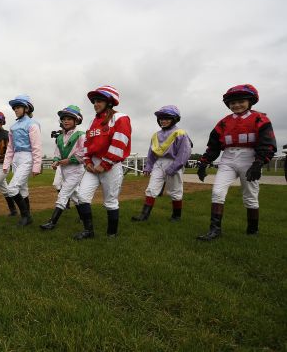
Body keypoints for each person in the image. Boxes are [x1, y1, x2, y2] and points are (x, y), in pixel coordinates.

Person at [196, 84, 276, 240]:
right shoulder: (224, 122)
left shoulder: (260, 118)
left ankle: (252, 230)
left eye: (241, 101)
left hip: (250, 158)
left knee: (250, 195)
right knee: (217, 192)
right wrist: (204, 162)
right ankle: (215, 230)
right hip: (228, 158)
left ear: (250, 101)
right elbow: (213, 145)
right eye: (232, 103)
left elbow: (267, 143)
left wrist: (259, 162)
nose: (236, 105)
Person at [73, 86, 131, 240]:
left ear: (109, 102)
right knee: (82, 196)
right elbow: (87, 144)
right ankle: (88, 231)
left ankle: (112, 234)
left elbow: (120, 143)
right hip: (93, 166)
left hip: (110, 166)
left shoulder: (120, 118)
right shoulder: (93, 122)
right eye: (94, 101)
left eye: (99, 101)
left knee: (110, 201)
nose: (95, 104)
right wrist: (87, 161)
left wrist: (104, 164)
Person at [132, 105, 192, 222]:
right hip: (158, 163)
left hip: (174, 162)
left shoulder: (180, 133)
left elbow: (184, 152)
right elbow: (151, 153)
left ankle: (176, 216)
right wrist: (148, 166)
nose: (163, 121)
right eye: (161, 119)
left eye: (166, 118)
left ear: (174, 119)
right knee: (151, 188)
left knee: (175, 190)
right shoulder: (156, 135)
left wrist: (174, 167)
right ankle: (144, 215)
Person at [40, 105, 86, 231]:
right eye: (64, 119)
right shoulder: (59, 137)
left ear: (76, 121)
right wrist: (55, 162)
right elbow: (57, 154)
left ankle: (52, 222)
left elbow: (84, 153)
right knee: (75, 196)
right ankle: (84, 217)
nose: (66, 121)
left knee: (64, 193)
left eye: (69, 119)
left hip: (76, 170)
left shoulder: (81, 135)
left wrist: (70, 160)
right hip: (65, 171)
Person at [2, 95, 42, 227]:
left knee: (12, 188)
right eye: (14, 108)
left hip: (27, 157)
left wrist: (37, 166)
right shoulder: (13, 127)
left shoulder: (33, 124)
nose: (15, 110)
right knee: (23, 189)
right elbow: (10, 148)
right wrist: (6, 163)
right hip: (16, 158)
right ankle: (27, 217)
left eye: (18, 107)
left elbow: (36, 146)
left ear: (26, 108)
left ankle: (26, 216)